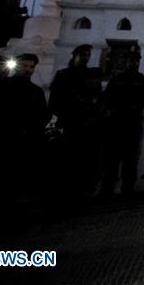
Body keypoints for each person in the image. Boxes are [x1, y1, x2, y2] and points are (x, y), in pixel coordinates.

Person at [48, 45, 104, 200]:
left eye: (87, 55)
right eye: (82, 55)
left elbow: (97, 99)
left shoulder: (91, 74)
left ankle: (80, 195)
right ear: (74, 56)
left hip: (87, 126)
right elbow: (54, 102)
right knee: (65, 162)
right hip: (68, 123)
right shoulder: (63, 75)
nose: (85, 58)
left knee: (84, 163)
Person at [100, 50, 144, 198]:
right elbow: (108, 97)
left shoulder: (143, 79)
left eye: (136, 61)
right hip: (116, 123)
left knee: (131, 158)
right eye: (131, 60)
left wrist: (130, 107)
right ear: (125, 62)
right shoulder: (116, 79)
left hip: (133, 123)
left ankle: (127, 189)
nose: (134, 63)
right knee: (111, 158)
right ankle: (107, 189)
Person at [8, 54, 51, 200]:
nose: (28, 70)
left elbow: (43, 115)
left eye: (31, 67)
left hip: (29, 140)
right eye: (24, 66)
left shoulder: (36, 91)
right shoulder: (5, 86)